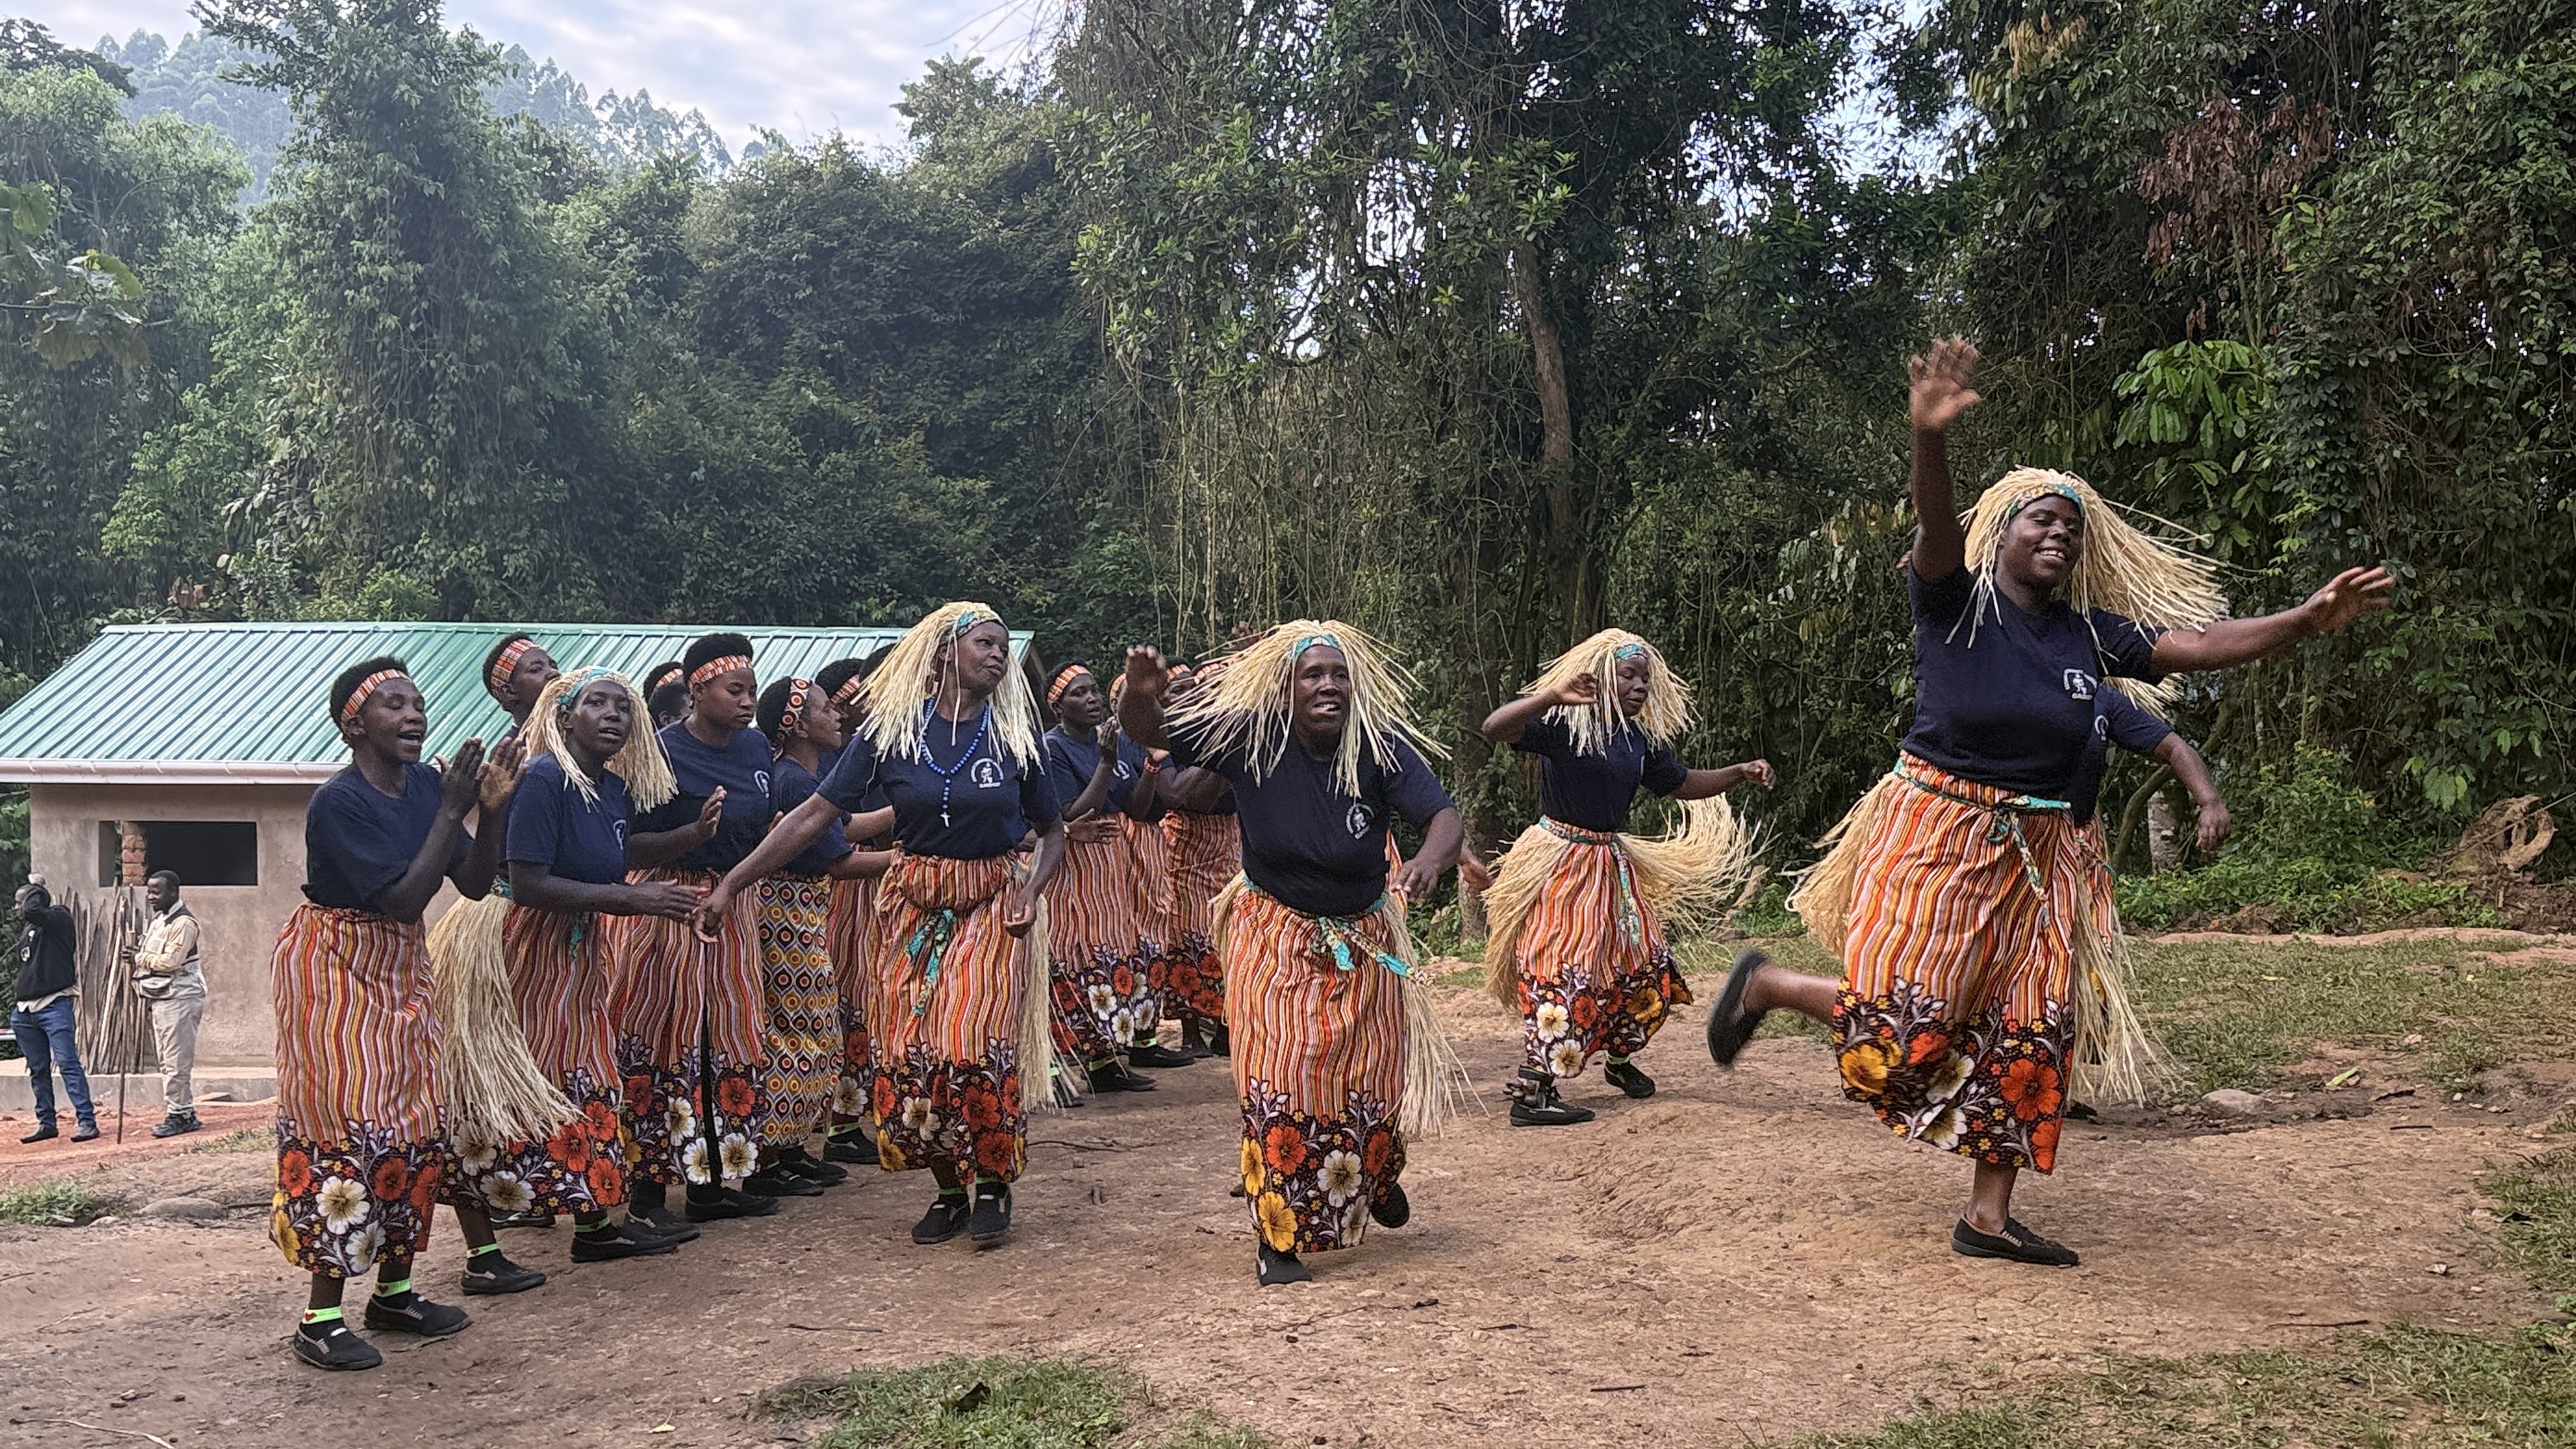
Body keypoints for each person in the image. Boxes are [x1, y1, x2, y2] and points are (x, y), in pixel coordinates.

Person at [1710, 337, 2393, 1266]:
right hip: (1943, 832)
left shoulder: (2086, 636)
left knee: (2035, 1032)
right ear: (2004, 533)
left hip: (2048, 856)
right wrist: (1931, 440)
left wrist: (2303, 622)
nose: (2058, 534)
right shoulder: (1956, 604)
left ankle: (1987, 1217)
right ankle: (1772, 986)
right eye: (2040, 519)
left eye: (2070, 525)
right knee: (1909, 1034)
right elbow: (1937, 529)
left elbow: (2194, 646)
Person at [1118, 623, 1468, 1286]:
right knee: (1283, 1075)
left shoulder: (1379, 747)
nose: (1329, 685)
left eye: (1339, 674)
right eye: (1313, 675)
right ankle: (1276, 1234)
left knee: (1371, 1079)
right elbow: (1151, 729)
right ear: (1287, 686)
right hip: (1272, 931)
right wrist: (1139, 691)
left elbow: (1444, 820)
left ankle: (1371, 1175)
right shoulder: (1251, 737)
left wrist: (1427, 860)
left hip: (1363, 934)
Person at [705, 603, 1062, 1251]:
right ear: (945, 652)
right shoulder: (893, 732)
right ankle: (949, 1189)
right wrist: (734, 882)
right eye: (986, 642)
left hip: (992, 903)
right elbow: (814, 815)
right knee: (907, 1060)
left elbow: (1054, 830)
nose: (998, 654)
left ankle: (992, 1184)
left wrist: (1032, 890)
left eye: (1003, 646)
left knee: (970, 1045)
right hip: (910, 905)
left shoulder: (1015, 735)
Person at [272, 659, 525, 1370]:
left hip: (401, 966)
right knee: (349, 1126)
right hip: (336, 969)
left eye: (417, 703)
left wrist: (494, 807)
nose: (414, 715)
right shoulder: (340, 802)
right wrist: (453, 809)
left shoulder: (422, 789)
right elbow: (404, 900)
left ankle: (395, 1294)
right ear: (355, 724)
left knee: (415, 1126)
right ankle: (320, 1320)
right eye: (394, 705)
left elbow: (475, 885)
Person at [1476, 630, 1772, 1125]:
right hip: (1561, 867)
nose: (1640, 686)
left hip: (1609, 868)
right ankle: (1533, 1092)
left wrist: (1737, 772)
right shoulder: (1566, 726)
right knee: (1562, 968)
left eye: (1645, 679)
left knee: (1640, 966)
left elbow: (1680, 784)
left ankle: (1618, 1061)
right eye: (1628, 675)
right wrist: (1552, 695)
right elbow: (1495, 727)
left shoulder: (1638, 741)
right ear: (1598, 676)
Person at [487, 666, 703, 1263]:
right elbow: (528, 883)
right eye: (598, 704)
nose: (614, 715)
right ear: (565, 717)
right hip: (531, 947)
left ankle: (594, 1224)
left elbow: (617, 852)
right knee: (551, 1075)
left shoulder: (608, 788)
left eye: (623, 707)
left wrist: (689, 836)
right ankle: (517, 1210)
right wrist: (634, 899)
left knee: (591, 1074)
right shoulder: (543, 778)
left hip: (580, 946)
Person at [613, 633, 780, 1227]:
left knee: (725, 1041)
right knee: (662, 1040)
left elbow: (763, 827)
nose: (747, 701)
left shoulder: (757, 748)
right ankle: (649, 1194)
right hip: (670, 903)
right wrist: (691, 838)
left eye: (753, 691)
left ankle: (712, 1184)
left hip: (734, 905)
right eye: (736, 690)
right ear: (698, 690)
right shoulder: (656, 753)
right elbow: (623, 842)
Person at [748, 674, 894, 1193]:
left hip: (803, 915)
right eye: (823, 711)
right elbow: (838, 860)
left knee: (811, 1029)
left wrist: (909, 809)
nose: (836, 717)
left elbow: (841, 825)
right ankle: (767, 1156)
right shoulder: (790, 780)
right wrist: (912, 859)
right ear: (796, 725)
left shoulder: (804, 778)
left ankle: (787, 1148)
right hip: (784, 918)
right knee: (796, 1031)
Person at [1039, 663, 1161, 1096]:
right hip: (1076, 862)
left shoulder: (1115, 741)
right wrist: (1106, 763)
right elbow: (1071, 812)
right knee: (1074, 959)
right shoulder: (1053, 750)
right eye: (1079, 693)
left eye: (1093, 690)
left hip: (1114, 864)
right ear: (1058, 706)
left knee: (1110, 959)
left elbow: (1137, 807)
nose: (1091, 699)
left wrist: (1149, 768)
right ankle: (1053, 1069)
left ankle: (1103, 1061)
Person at [813, 652, 893, 1165]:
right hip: (852, 887)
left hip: (881, 882)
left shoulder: (890, 745)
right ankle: (841, 1125)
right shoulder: (838, 756)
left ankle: (859, 1113)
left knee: (873, 999)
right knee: (853, 998)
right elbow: (835, 829)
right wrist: (903, 812)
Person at [1158, 662, 1239, 1057]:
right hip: (1187, 844)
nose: (1189, 696)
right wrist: (1218, 760)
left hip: (1228, 841)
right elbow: (1177, 794)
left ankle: (1226, 1027)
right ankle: (1190, 1030)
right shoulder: (1163, 738)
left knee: (1228, 936)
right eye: (1178, 690)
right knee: (1186, 934)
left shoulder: (1228, 733)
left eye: (1196, 688)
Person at [12, 877, 95, 1144]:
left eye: (20, 903)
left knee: (68, 1064)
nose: (18, 910)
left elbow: (34, 910)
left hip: (53, 1005)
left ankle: (87, 1121)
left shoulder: (60, 918)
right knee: (38, 1069)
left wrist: (37, 886)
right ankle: (46, 1123)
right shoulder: (30, 929)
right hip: (26, 1010)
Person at [124, 870, 207, 1138]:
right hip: (164, 997)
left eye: (157, 892)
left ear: (174, 892)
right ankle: (182, 1110)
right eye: (149, 892)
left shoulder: (183, 923)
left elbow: (171, 963)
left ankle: (180, 1114)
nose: (150, 897)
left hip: (181, 998)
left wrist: (140, 958)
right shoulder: (161, 920)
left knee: (176, 1060)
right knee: (168, 1059)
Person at [481, 632, 561, 728]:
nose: (555, 673)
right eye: (536, 670)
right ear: (508, 692)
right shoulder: (513, 742)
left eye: (553, 666)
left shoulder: (577, 734)